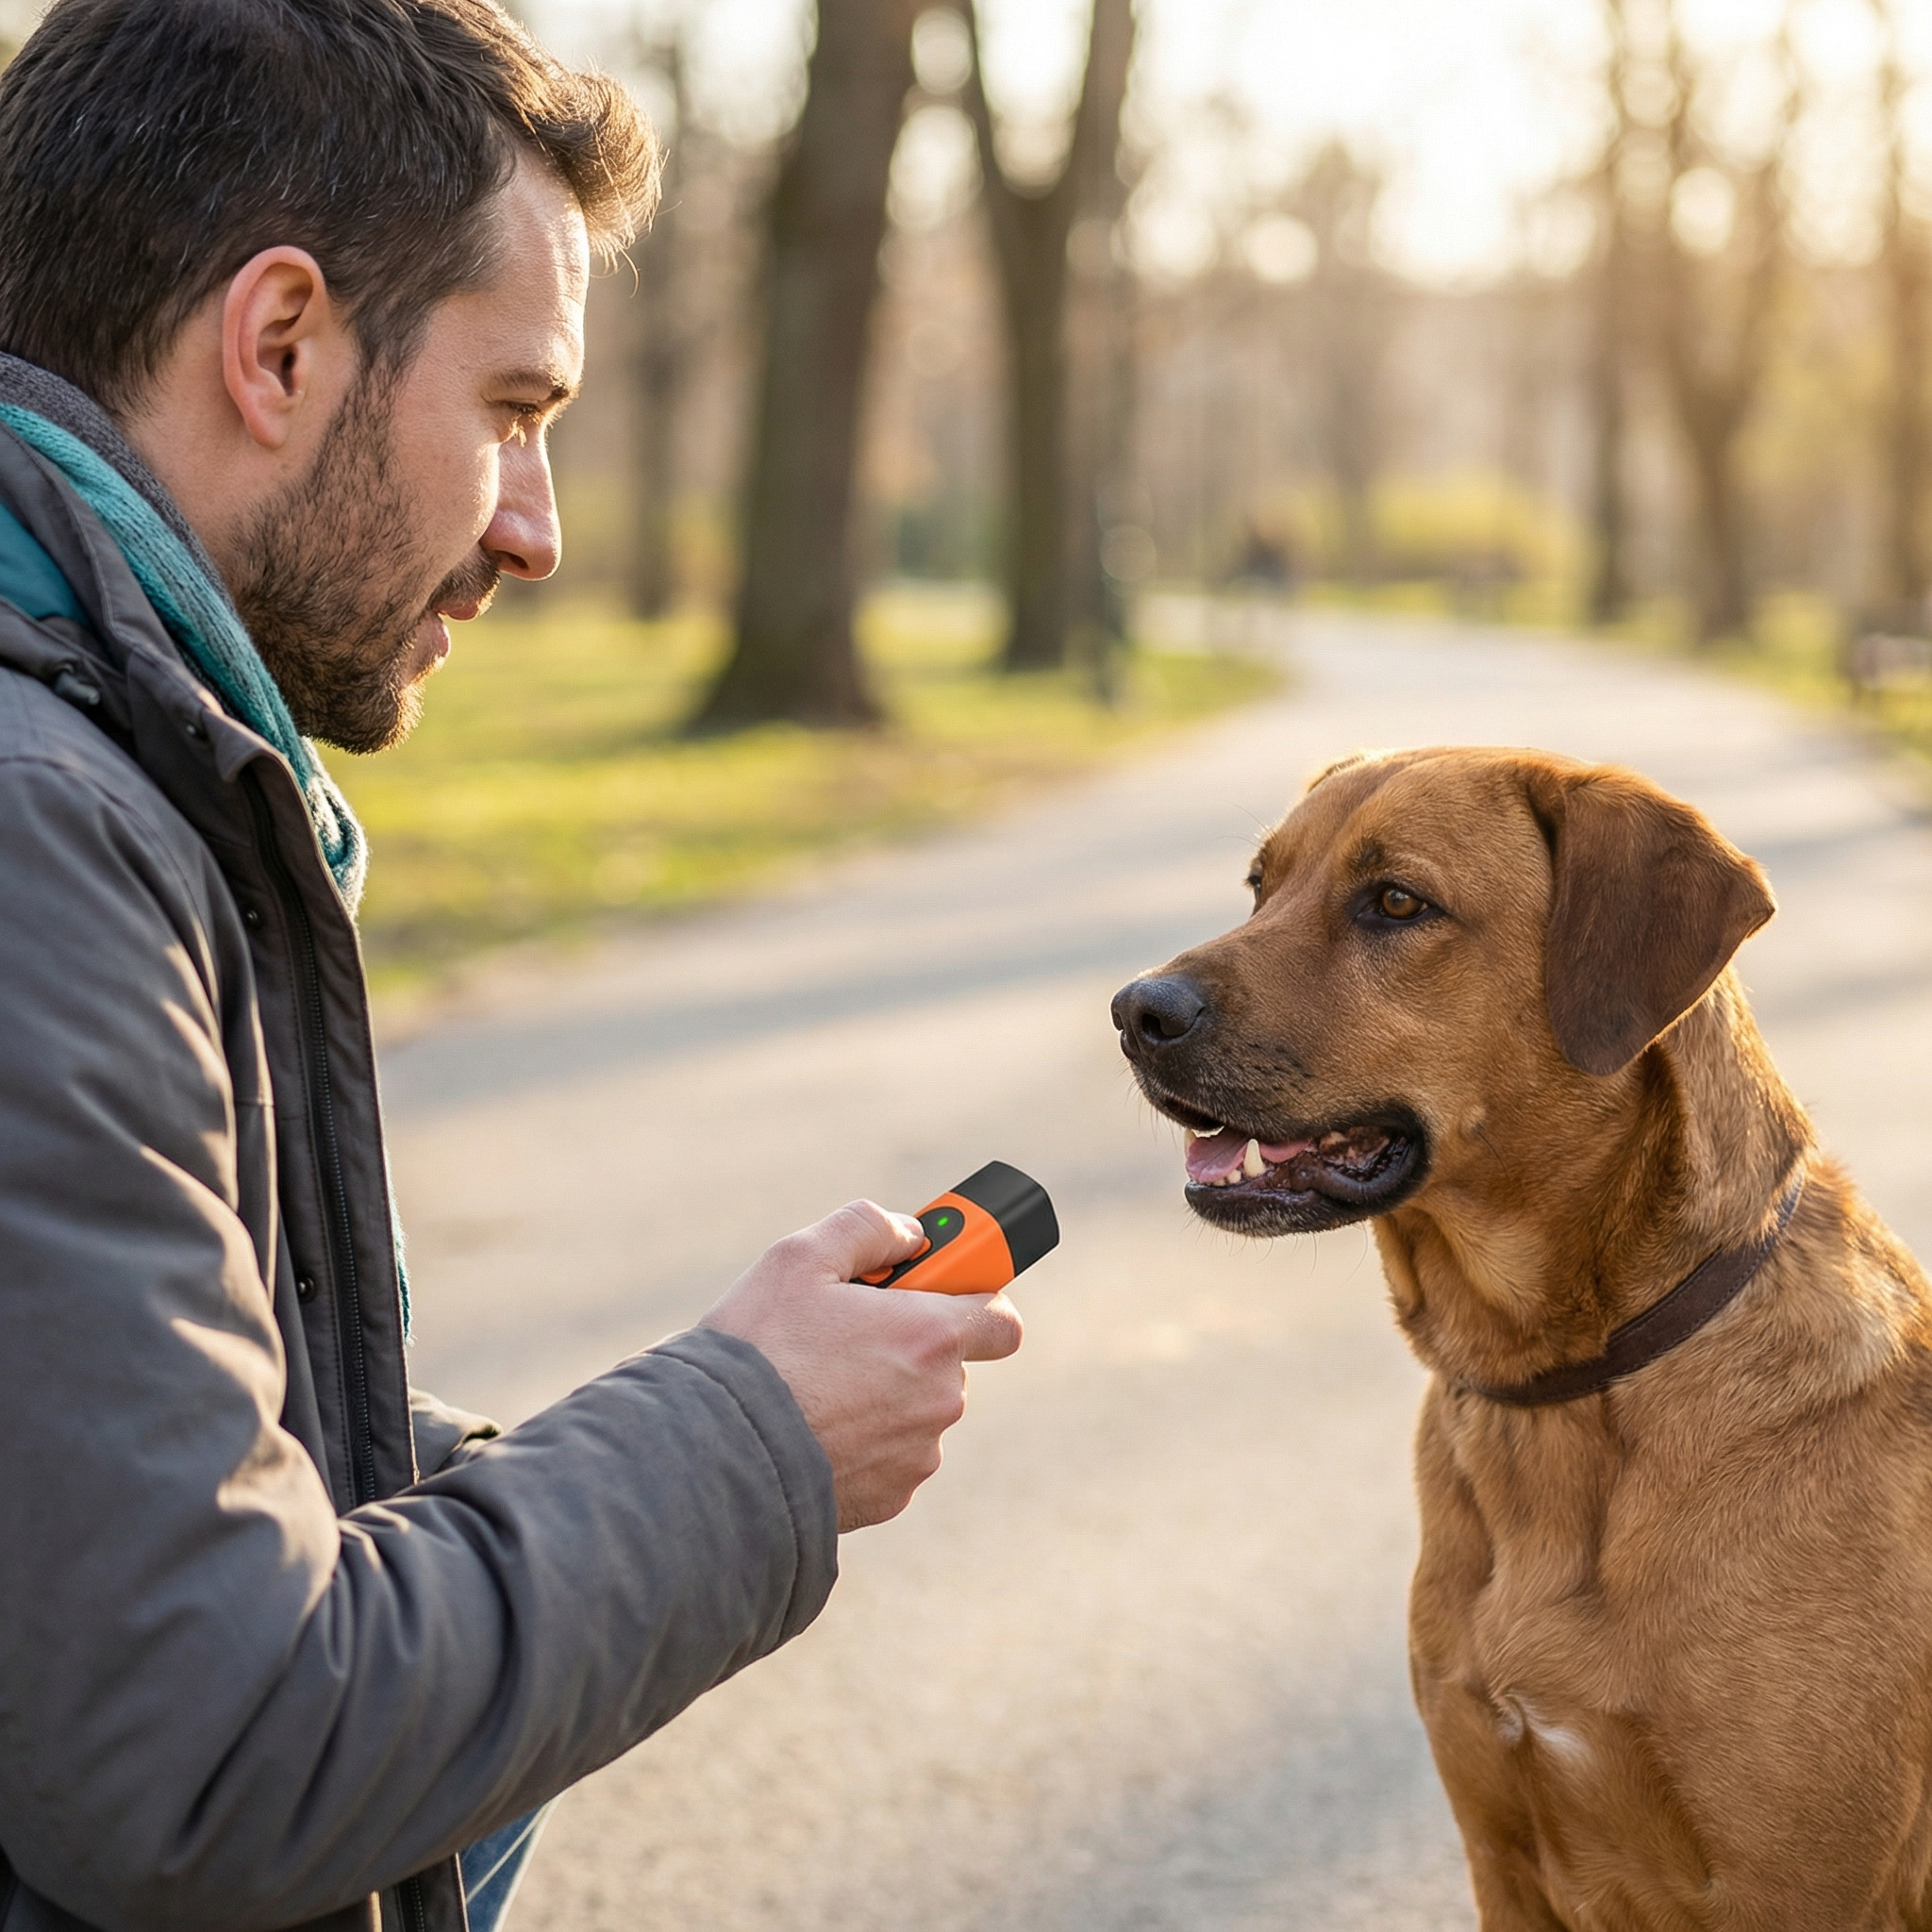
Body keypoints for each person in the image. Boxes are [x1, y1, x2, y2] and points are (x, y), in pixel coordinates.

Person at [0, 2, 1024, 1928]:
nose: (536, 531)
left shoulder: (104, 782)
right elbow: (204, 1762)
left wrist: (526, 1459)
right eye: (514, 412)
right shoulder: (39, 833)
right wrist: (751, 1439)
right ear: (281, 345)